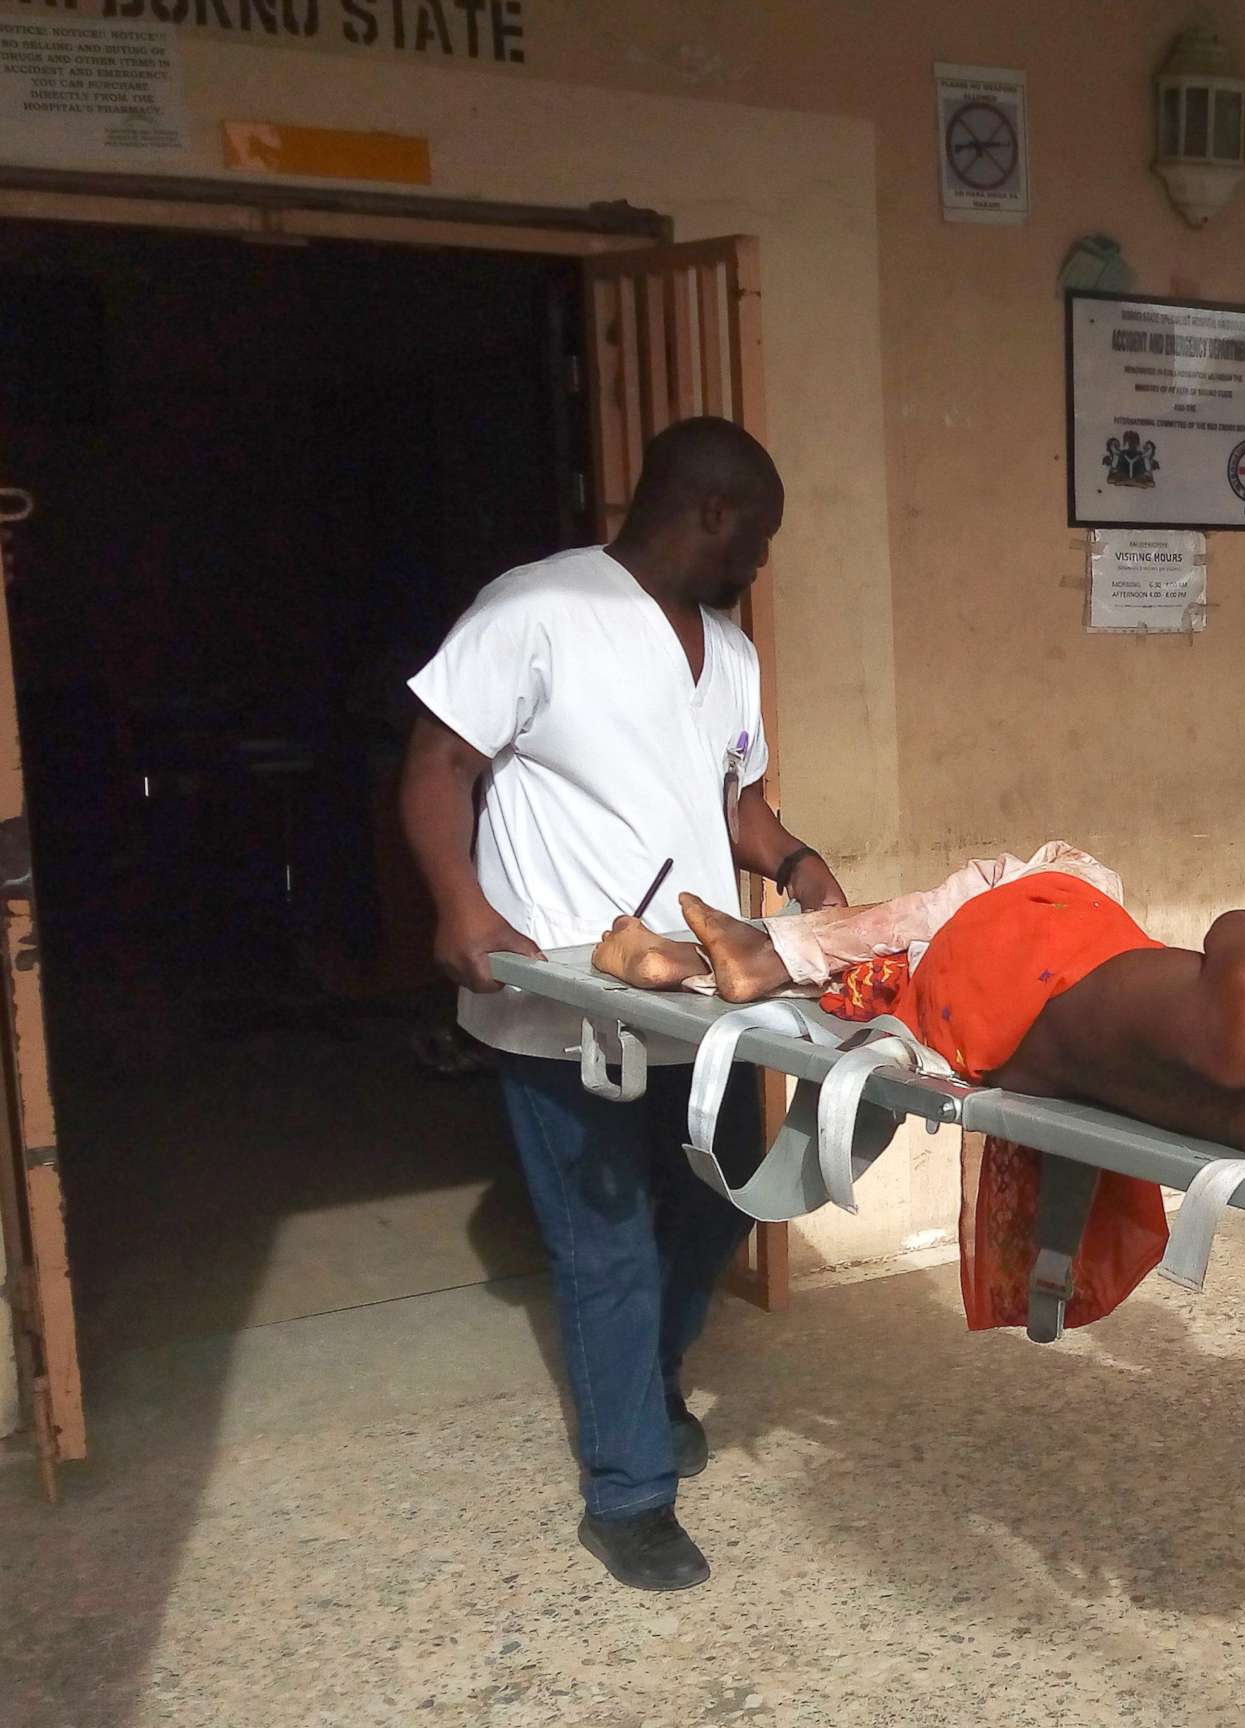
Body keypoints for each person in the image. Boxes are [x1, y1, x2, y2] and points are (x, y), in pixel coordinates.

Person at [399, 417, 848, 1593]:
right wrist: (458, 903)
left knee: (731, 1194)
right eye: (757, 539)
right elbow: (440, 762)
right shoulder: (534, 611)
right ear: (708, 513)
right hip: (560, 1003)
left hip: (694, 1006)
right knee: (604, 1248)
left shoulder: (730, 649)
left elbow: (736, 797)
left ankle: (644, 1377)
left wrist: (796, 863)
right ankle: (629, 1493)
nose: (760, 563)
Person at [591, 842, 1245, 1326]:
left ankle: (766, 952)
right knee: (959, 913)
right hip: (993, 1041)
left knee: (1033, 867)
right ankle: (739, 952)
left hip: (1021, 973)